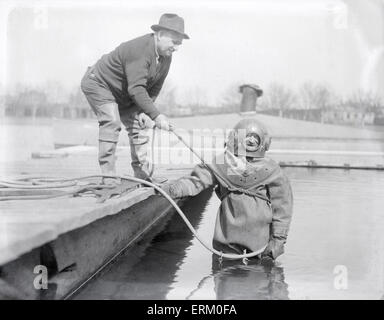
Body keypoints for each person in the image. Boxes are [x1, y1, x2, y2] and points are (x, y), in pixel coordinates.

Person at [161, 118, 294, 260]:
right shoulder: (222, 163)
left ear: (263, 142)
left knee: (261, 275)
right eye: (248, 138)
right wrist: (173, 189)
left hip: (261, 241)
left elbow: (282, 207)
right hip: (227, 238)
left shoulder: (272, 170)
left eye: (255, 139)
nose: (251, 142)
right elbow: (197, 181)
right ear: (237, 140)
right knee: (224, 273)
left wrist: (278, 239)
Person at [81, 13, 189, 183]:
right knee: (111, 121)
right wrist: (157, 115)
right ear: (160, 35)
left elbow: (155, 87)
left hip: (123, 91)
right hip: (100, 83)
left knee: (139, 124)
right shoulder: (140, 50)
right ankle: (108, 176)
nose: (176, 47)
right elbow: (137, 89)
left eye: (179, 44)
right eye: (174, 42)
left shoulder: (166, 56)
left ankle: (142, 174)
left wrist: (145, 112)